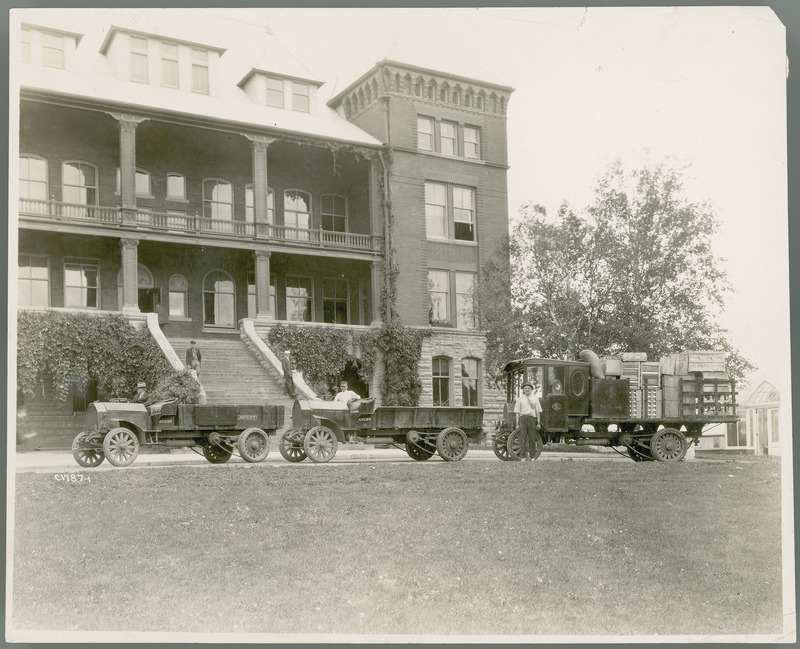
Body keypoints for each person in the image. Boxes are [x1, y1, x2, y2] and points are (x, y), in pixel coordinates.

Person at [514, 382, 542, 461]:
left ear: (531, 390)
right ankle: (522, 457)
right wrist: (517, 424)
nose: (527, 390)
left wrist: (538, 423)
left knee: (532, 438)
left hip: (532, 419)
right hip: (523, 418)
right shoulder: (520, 399)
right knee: (523, 438)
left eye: (528, 388)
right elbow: (517, 412)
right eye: (525, 388)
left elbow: (538, 411)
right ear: (523, 389)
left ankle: (533, 456)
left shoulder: (535, 398)